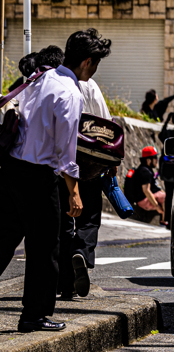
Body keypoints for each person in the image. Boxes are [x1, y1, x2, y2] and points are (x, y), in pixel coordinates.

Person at [0, 34, 95, 331]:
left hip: (12, 168)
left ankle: (34, 314)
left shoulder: (41, 77)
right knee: (44, 249)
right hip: (39, 177)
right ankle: (34, 316)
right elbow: (66, 152)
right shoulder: (70, 93)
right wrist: (74, 192)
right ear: (87, 62)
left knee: (3, 240)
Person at [54, 32, 112, 300]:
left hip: (50, 165)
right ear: (88, 61)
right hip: (83, 163)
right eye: (97, 63)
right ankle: (83, 250)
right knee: (88, 217)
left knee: (63, 223)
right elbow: (106, 126)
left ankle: (64, 283)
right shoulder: (85, 88)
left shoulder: (49, 81)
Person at [125, 147, 166, 223]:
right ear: (148, 160)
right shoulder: (145, 171)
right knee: (166, 197)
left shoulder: (147, 170)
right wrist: (157, 206)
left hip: (144, 199)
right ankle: (165, 221)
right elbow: (146, 190)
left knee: (164, 195)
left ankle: (165, 219)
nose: (157, 160)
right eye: (155, 157)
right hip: (143, 201)